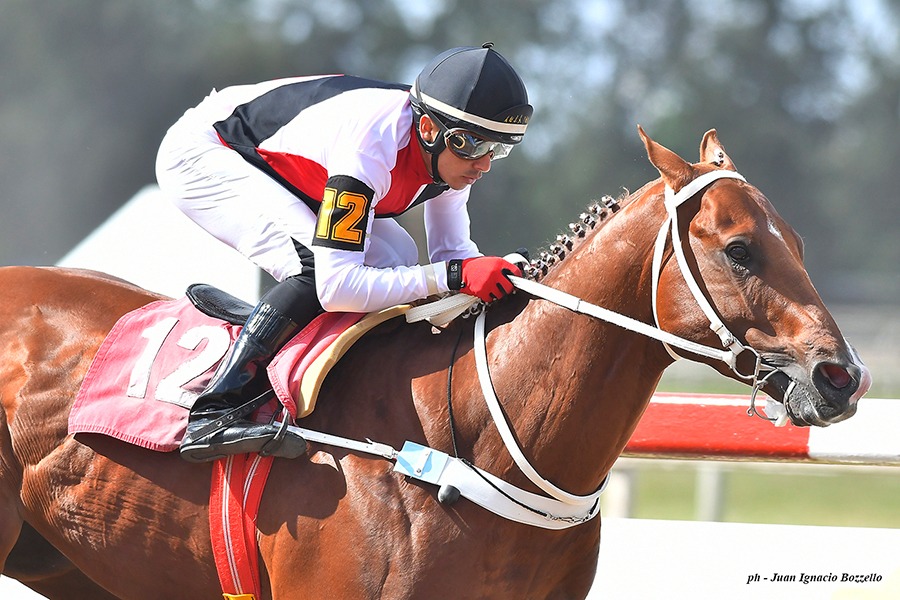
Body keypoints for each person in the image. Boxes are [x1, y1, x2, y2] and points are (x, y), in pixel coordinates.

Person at [156, 43, 532, 463]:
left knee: (398, 256)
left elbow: (454, 253)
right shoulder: (371, 147)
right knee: (314, 267)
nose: (484, 164)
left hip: (292, 168)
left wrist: (500, 276)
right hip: (207, 152)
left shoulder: (449, 151)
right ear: (428, 129)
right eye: (474, 146)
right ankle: (216, 410)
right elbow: (337, 287)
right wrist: (456, 275)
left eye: (498, 149)